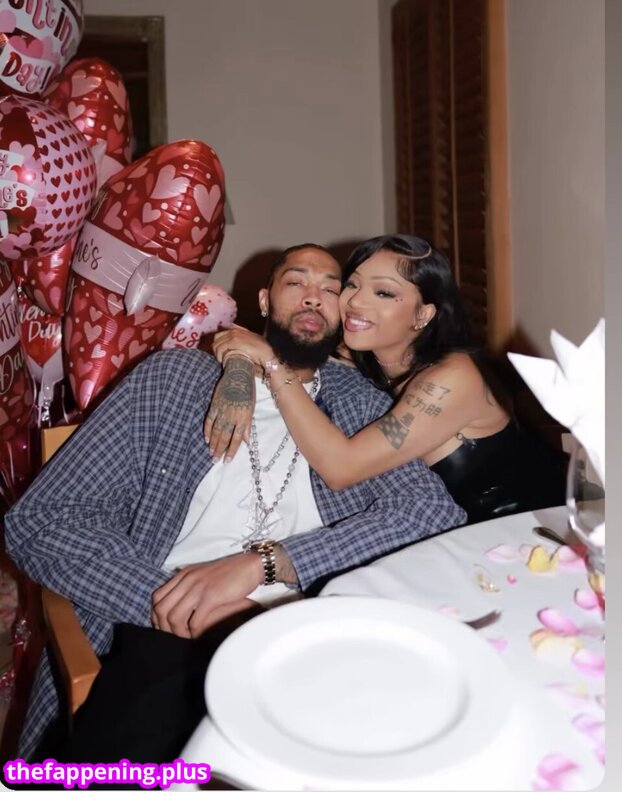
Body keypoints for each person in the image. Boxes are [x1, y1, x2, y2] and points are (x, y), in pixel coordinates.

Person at [5, 243, 465, 763]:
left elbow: (430, 513)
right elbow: (42, 519)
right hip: (168, 628)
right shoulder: (172, 382)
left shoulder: (356, 403)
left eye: (331, 288)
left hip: (305, 625)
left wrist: (269, 563)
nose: (313, 297)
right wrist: (178, 603)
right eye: (296, 282)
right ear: (265, 301)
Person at [207, 234, 568, 524]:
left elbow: (342, 468)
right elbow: (250, 341)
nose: (356, 303)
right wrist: (239, 367)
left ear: (423, 314)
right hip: (447, 538)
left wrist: (271, 364)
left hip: (528, 530)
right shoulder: (362, 352)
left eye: (383, 293)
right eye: (351, 285)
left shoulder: (454, 378)